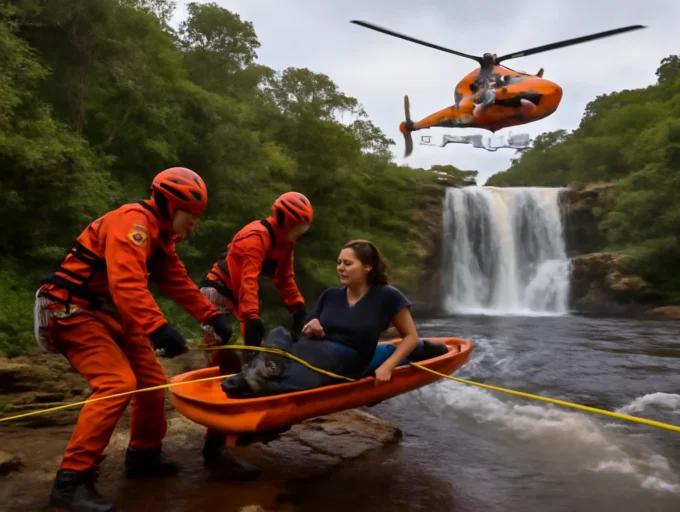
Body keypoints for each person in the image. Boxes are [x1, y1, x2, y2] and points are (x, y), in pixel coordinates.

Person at [32, 167, 233, 512]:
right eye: (191, 216)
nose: (194, 224)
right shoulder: (133, 224)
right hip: (69, 309)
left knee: (152, 381)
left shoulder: (161, 237)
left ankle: (143, 454)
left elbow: (177, 282)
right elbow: (126, 284)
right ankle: (71, 480)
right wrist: (158, 328)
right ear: (170, 207)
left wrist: (210, 314)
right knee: (116, 383)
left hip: (111, 313)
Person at [221, 239, 447, 400]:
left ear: (367, 267)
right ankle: (261, 373)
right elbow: (303, 333)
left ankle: (257, 380)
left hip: (347, 360)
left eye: (347, 264)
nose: (340, 268)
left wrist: (387, 368)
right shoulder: (330, 295)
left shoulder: (387, 295)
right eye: (339, 262)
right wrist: (312, 328)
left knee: (299, 379)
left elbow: (409, 336)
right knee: (280, 334)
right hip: (312, 349)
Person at [196, 191, 313, 479]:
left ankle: (245, 426)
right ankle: (215, 449)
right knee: (228, 365)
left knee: (259, 364)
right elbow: (246, 280)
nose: (300, 233)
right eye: (298, 227)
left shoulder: (285, 243)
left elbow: (284, 277)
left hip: (238, 298)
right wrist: (252, 318)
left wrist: (298, 308)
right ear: (286, 221)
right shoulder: (254, 237)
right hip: (216, 296)